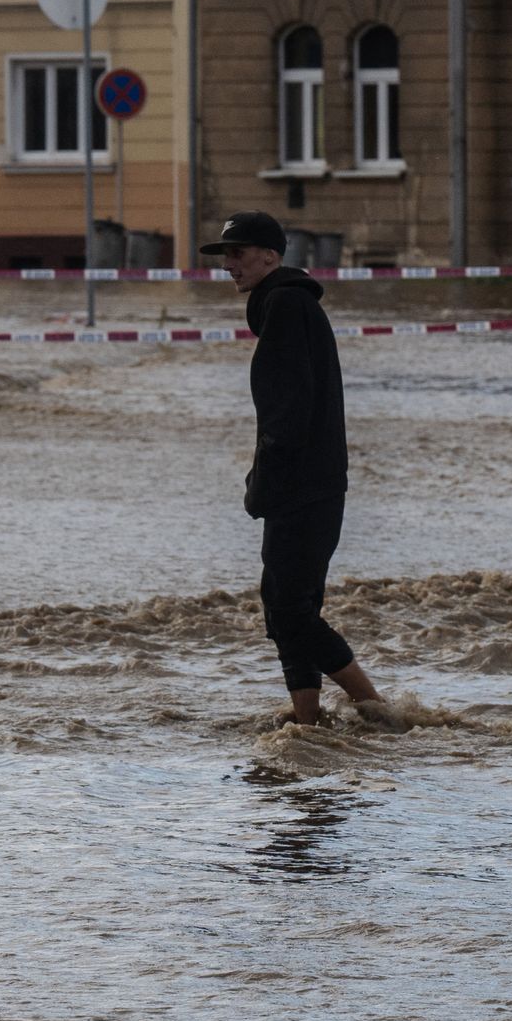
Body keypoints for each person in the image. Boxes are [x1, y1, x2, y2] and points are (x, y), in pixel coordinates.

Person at [199, 211, 393, 728]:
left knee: (289, 611)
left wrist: (264, 486)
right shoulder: (288, 305)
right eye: (225, 256)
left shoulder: (284, 306)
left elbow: (288, 410)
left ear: (270, 255)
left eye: (238, 253)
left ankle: (376, 710)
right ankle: (307, 718)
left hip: (302, 486)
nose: (230, 265)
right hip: (314, 482)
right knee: (286, 605)